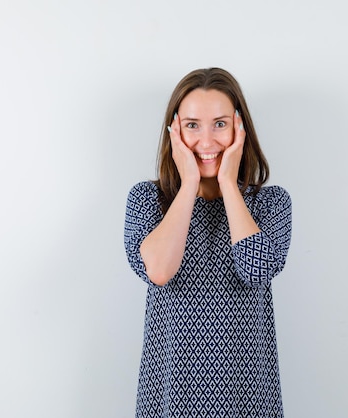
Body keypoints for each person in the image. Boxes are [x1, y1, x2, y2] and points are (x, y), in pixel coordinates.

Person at [123, 67, 292, 417]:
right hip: (169, 396)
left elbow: (256, 268)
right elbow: (159, 270)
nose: (206, 141)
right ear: (174, 131)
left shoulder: (271, 203)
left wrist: (230, 185)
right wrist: (187, 186)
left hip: (247, 397)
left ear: (239, 128)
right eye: (192, 125)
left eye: (219, 124)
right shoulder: (146, 201)